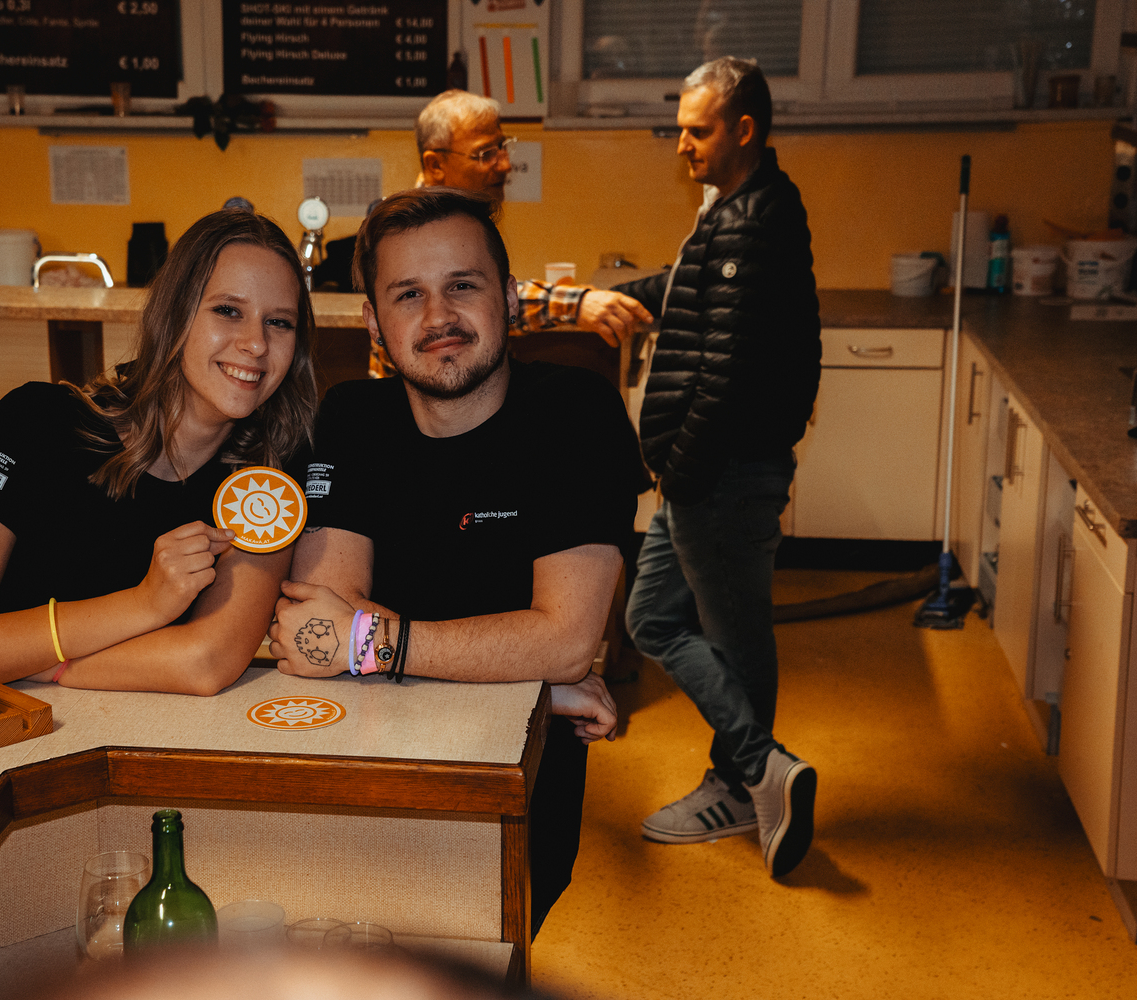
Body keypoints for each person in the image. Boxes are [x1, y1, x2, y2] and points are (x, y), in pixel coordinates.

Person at [267, 187, 645, 934]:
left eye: (462, 286)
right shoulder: (349, 419)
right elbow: (317, 632)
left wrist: (379, 645)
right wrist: (532, 681)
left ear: (509, 298)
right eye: (408, 294)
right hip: (369, 776)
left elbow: (566, 639)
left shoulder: (575, 412)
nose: (438, 317)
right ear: (374, 322)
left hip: (510, 791)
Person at [0, 210, 317, 697]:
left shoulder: (273, 469)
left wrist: (31, 663)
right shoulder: (33, 422)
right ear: (173, 313)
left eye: (279, 322)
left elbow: (206, 662)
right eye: (228, 310)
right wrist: (145, 604)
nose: (256, 344)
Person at [611, 57, 822, 877]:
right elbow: (694, 289)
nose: (682, 145)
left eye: (696, 131)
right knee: (650, 619)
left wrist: (682, 466)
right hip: (707, 473)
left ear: (744, 130)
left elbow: (726, 370)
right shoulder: (743, 209)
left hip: (720, 474)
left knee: (735, 639)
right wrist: (622, 296)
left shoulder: (749, 222)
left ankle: (743, 781)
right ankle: (759, 768)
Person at [414, 90, 653, 347]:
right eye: (485, 154)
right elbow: (477, 300)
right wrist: (574, 305)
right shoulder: (411, 230)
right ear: (435, 165)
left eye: (502, 147)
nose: (505, 165)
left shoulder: (464, 220)